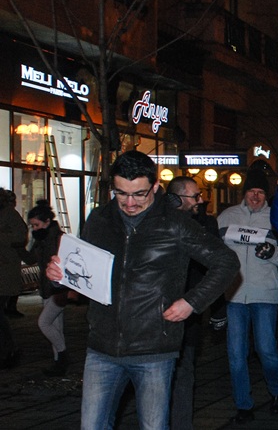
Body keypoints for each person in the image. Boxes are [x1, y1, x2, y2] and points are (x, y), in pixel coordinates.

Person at [46, 151, 239, 429]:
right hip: (102, 346)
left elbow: (226, 261)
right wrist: (59, 276)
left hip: (154, 347)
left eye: (139, 194)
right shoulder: (100, 219)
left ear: (155, 186)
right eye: (121, 193)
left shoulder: (175, 223)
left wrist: (191, 302)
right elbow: (83, 268)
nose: (129, 202)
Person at [217, 170, 278, 423]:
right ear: (244, 193)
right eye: (251, 191)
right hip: (234, 295)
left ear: (266, 195)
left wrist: (273, 253)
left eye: (260, 192)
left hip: (266, 294)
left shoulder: (277, 219)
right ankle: (243, 405)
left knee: (267, 350)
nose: (256, 196)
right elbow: (214, 254)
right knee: (236, 355)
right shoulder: (226, 217)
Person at [165, 175, 218, 430]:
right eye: (195, 196)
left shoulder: (203, 224)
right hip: (160, 313)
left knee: (184, 372)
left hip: (189, 310)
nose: (200, 200)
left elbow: (219, 266)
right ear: (177, 199)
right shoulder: (160, 224)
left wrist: (209, 306)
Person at [27, 200, 66, 376]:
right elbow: (30, 259)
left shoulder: (58, 239)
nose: (34, 228)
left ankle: (63, 355)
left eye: (36, 225)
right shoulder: (41, 239)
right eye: (32, 225)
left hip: (57, 290)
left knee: (44, 322)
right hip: (47, 288)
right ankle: (59, 362)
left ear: (47, 222)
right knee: (55, 327)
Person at [0, 188, 27, 368]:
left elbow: (20, 236)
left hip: (5, 270)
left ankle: (9, 349)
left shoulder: (9, 215)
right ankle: (8, 349)